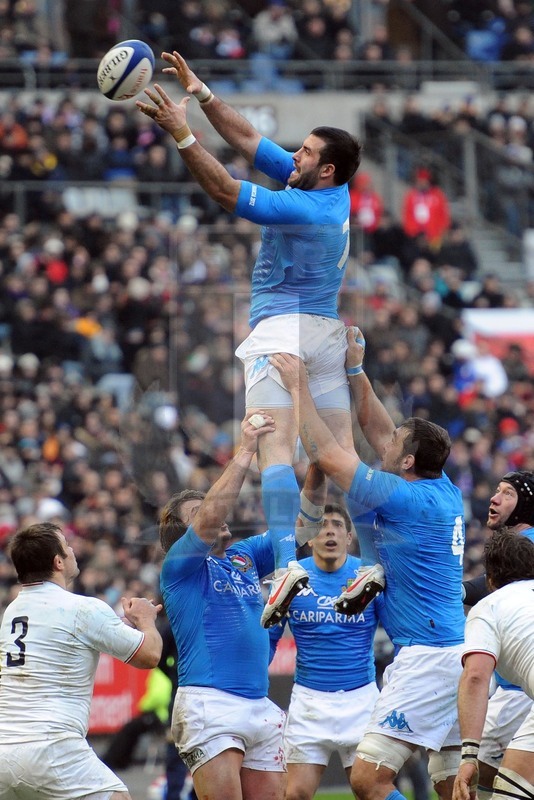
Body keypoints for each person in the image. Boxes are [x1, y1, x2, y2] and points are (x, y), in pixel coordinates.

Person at [137, 51, 362, 628]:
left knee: (272, 446)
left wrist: (183, 133)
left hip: (282, 329)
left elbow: (225, 191)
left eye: (307, 152)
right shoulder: (331, 193)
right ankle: (354, 563)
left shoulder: (304, 209)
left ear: (327, 170)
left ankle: (288, 563)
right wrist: (204, 94)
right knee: (337, 459)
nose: (296, 155)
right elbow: (253, 141)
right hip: (327, 333)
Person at [270, 326, 466, 800]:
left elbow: (327, 454)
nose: (387, 441)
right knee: (449, 784)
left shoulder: (401, 498)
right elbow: (381, 431)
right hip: (451, 648)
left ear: (408, 461)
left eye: (397, 442)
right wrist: (356, 369)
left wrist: (299, 387)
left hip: (426, 656)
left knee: (368, 779)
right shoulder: (442, 489)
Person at [158, 411, 326, 800]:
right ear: (184, 533)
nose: (217, 513)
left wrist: (321, 465)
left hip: (258, 701)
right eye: (199, 512)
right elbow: (212, 514)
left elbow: (303, 526)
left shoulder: (242, 556)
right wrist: (246, 449)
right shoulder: (181, 566)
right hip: (210, 702)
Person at [0, 521, 163, 800]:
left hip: (4, 748)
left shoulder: (13, 611)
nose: (73, 550)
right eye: (67, 546)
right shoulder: (81, 607)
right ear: (58, 562)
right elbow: (149, 655)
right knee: (117, 796)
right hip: (50, 745)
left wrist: (114, 625)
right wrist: (146, 620)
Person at [269, 489, 386, 800]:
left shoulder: (368, 575)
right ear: (309, 538)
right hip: (309, 702)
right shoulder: (292, 578)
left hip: (361, 699)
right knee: (294, 795)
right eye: (321, 525)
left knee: (372, 790)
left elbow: (398, 631)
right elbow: (268, 637)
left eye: (337, 524)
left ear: (349, 536)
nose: (329, 530)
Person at [462, 470, 534, 800]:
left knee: (503, 784)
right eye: (495, 490)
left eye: (507, 493)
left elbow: (475, 678)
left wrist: (452, 591)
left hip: (521, 690)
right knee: (485, 773)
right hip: (514, 686)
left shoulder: (530, 541)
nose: (494, 498)